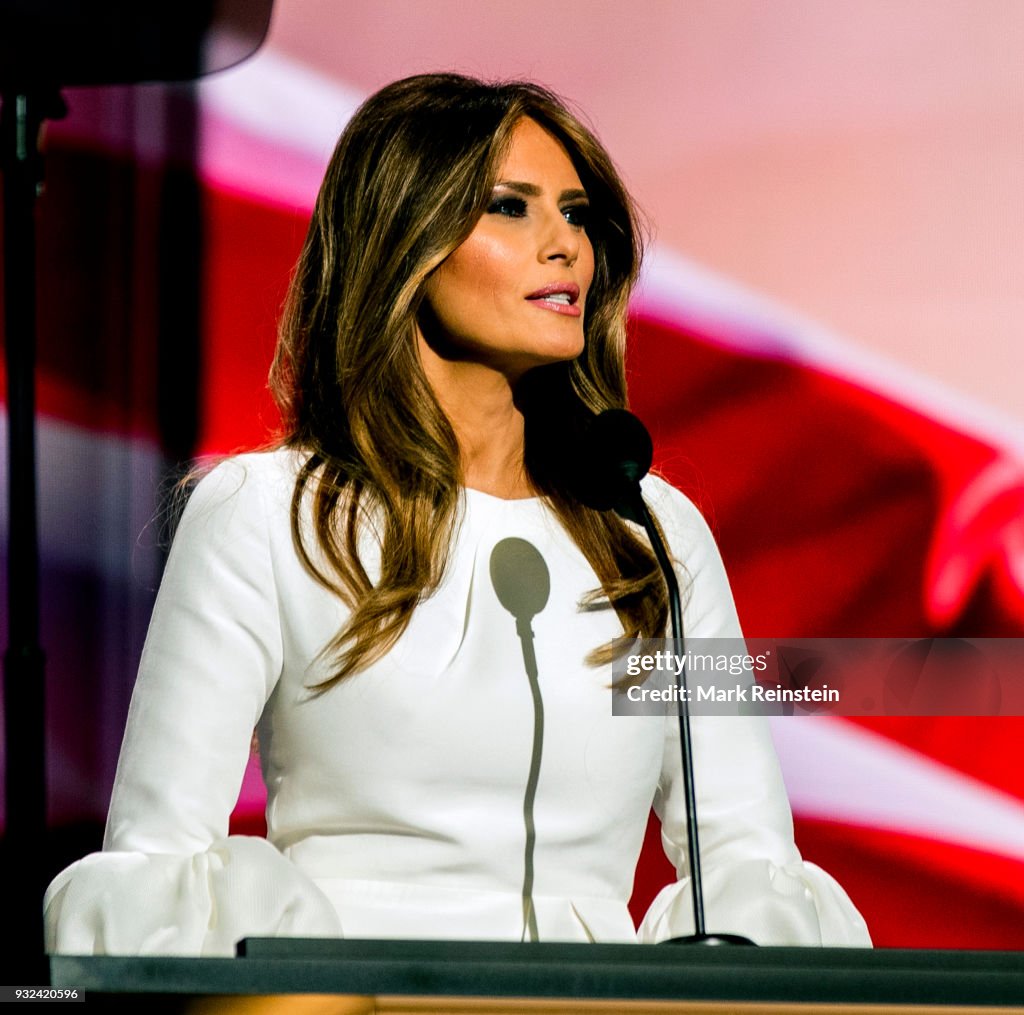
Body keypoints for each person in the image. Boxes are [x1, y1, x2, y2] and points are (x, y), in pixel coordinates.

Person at [44, 73, 870, 955]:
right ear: (405, 240)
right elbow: (160, 865)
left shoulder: (651, 532)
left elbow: (746, 862)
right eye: (510, 207)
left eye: (577, 214)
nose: (566, 245)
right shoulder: (266, 513)